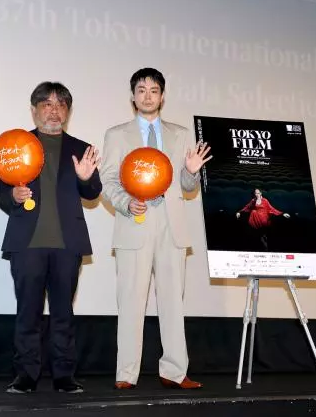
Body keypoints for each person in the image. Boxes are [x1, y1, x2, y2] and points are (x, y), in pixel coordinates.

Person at [100, 67, 211, 390]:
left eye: (154, 91)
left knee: (173, 301)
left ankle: (175, 371)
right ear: (133, 96)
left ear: (162, 96)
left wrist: (191, 172)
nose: (147, 96)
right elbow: (108, 180)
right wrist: (125, 202)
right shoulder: (117, 134)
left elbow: (187, 187)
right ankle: (126, 373)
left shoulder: (181, 134)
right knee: (130, 301)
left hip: (171, 224)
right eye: (141, 90)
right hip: (134, 221)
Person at [0, 82, 102, 394]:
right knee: (27, 313)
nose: (54, 111)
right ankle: (26, 376)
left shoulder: (81, 148)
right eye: (47, 104)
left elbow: (93, 192)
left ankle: (64, 376)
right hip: (27, 244)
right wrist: (13, 195)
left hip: (67, 245)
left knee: (63, 314)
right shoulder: (17, 145)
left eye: (60, 105)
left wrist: (86, 179)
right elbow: (1, 190)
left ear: (67, 111)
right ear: (34, 110)